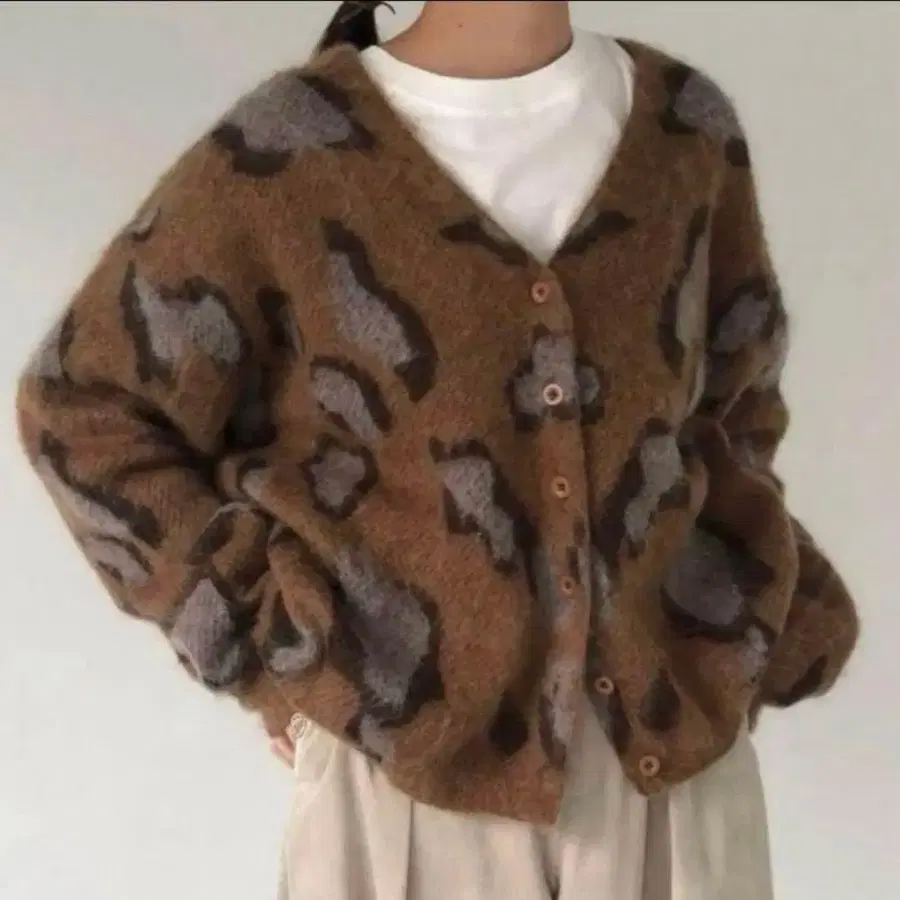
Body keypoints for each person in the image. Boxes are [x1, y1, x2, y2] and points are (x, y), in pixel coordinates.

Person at [16, 1, 860, 897]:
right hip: (406, 777)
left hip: (671, 773)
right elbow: (84, 408)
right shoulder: (287, 155)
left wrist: (734, 618)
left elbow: (736, 409)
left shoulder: (688, 133)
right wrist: (271, 652)